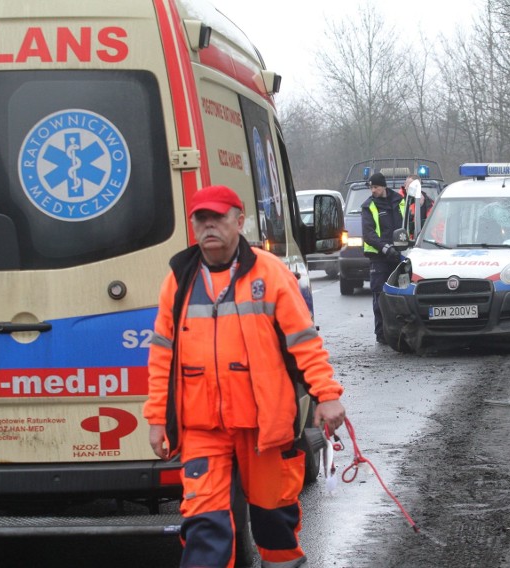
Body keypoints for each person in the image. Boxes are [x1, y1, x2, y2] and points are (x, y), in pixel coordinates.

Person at [143, 185, 346, 568]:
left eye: (218, 218)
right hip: (202, 426)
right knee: (205, 522)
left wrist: (327, 394)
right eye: (201, 219)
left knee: (274, 523)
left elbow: (304, 342)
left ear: (239, 221)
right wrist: (157, 419)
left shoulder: (269, 273)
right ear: (192, 226)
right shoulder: (179, 278)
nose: (209, 226)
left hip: (264, 424)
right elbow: (162, 355)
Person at [361, 172, 405, 345]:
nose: (373, 191)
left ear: (384, 186)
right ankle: (382, 334)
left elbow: (410, 223)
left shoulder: (399, 201)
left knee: (401, 294)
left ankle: (401, 331)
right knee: (380, 295)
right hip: (379, 258)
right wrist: (386, 249)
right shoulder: (369, 206)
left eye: (376, 187)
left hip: (400, 255)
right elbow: (369, 234)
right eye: (371, 188)